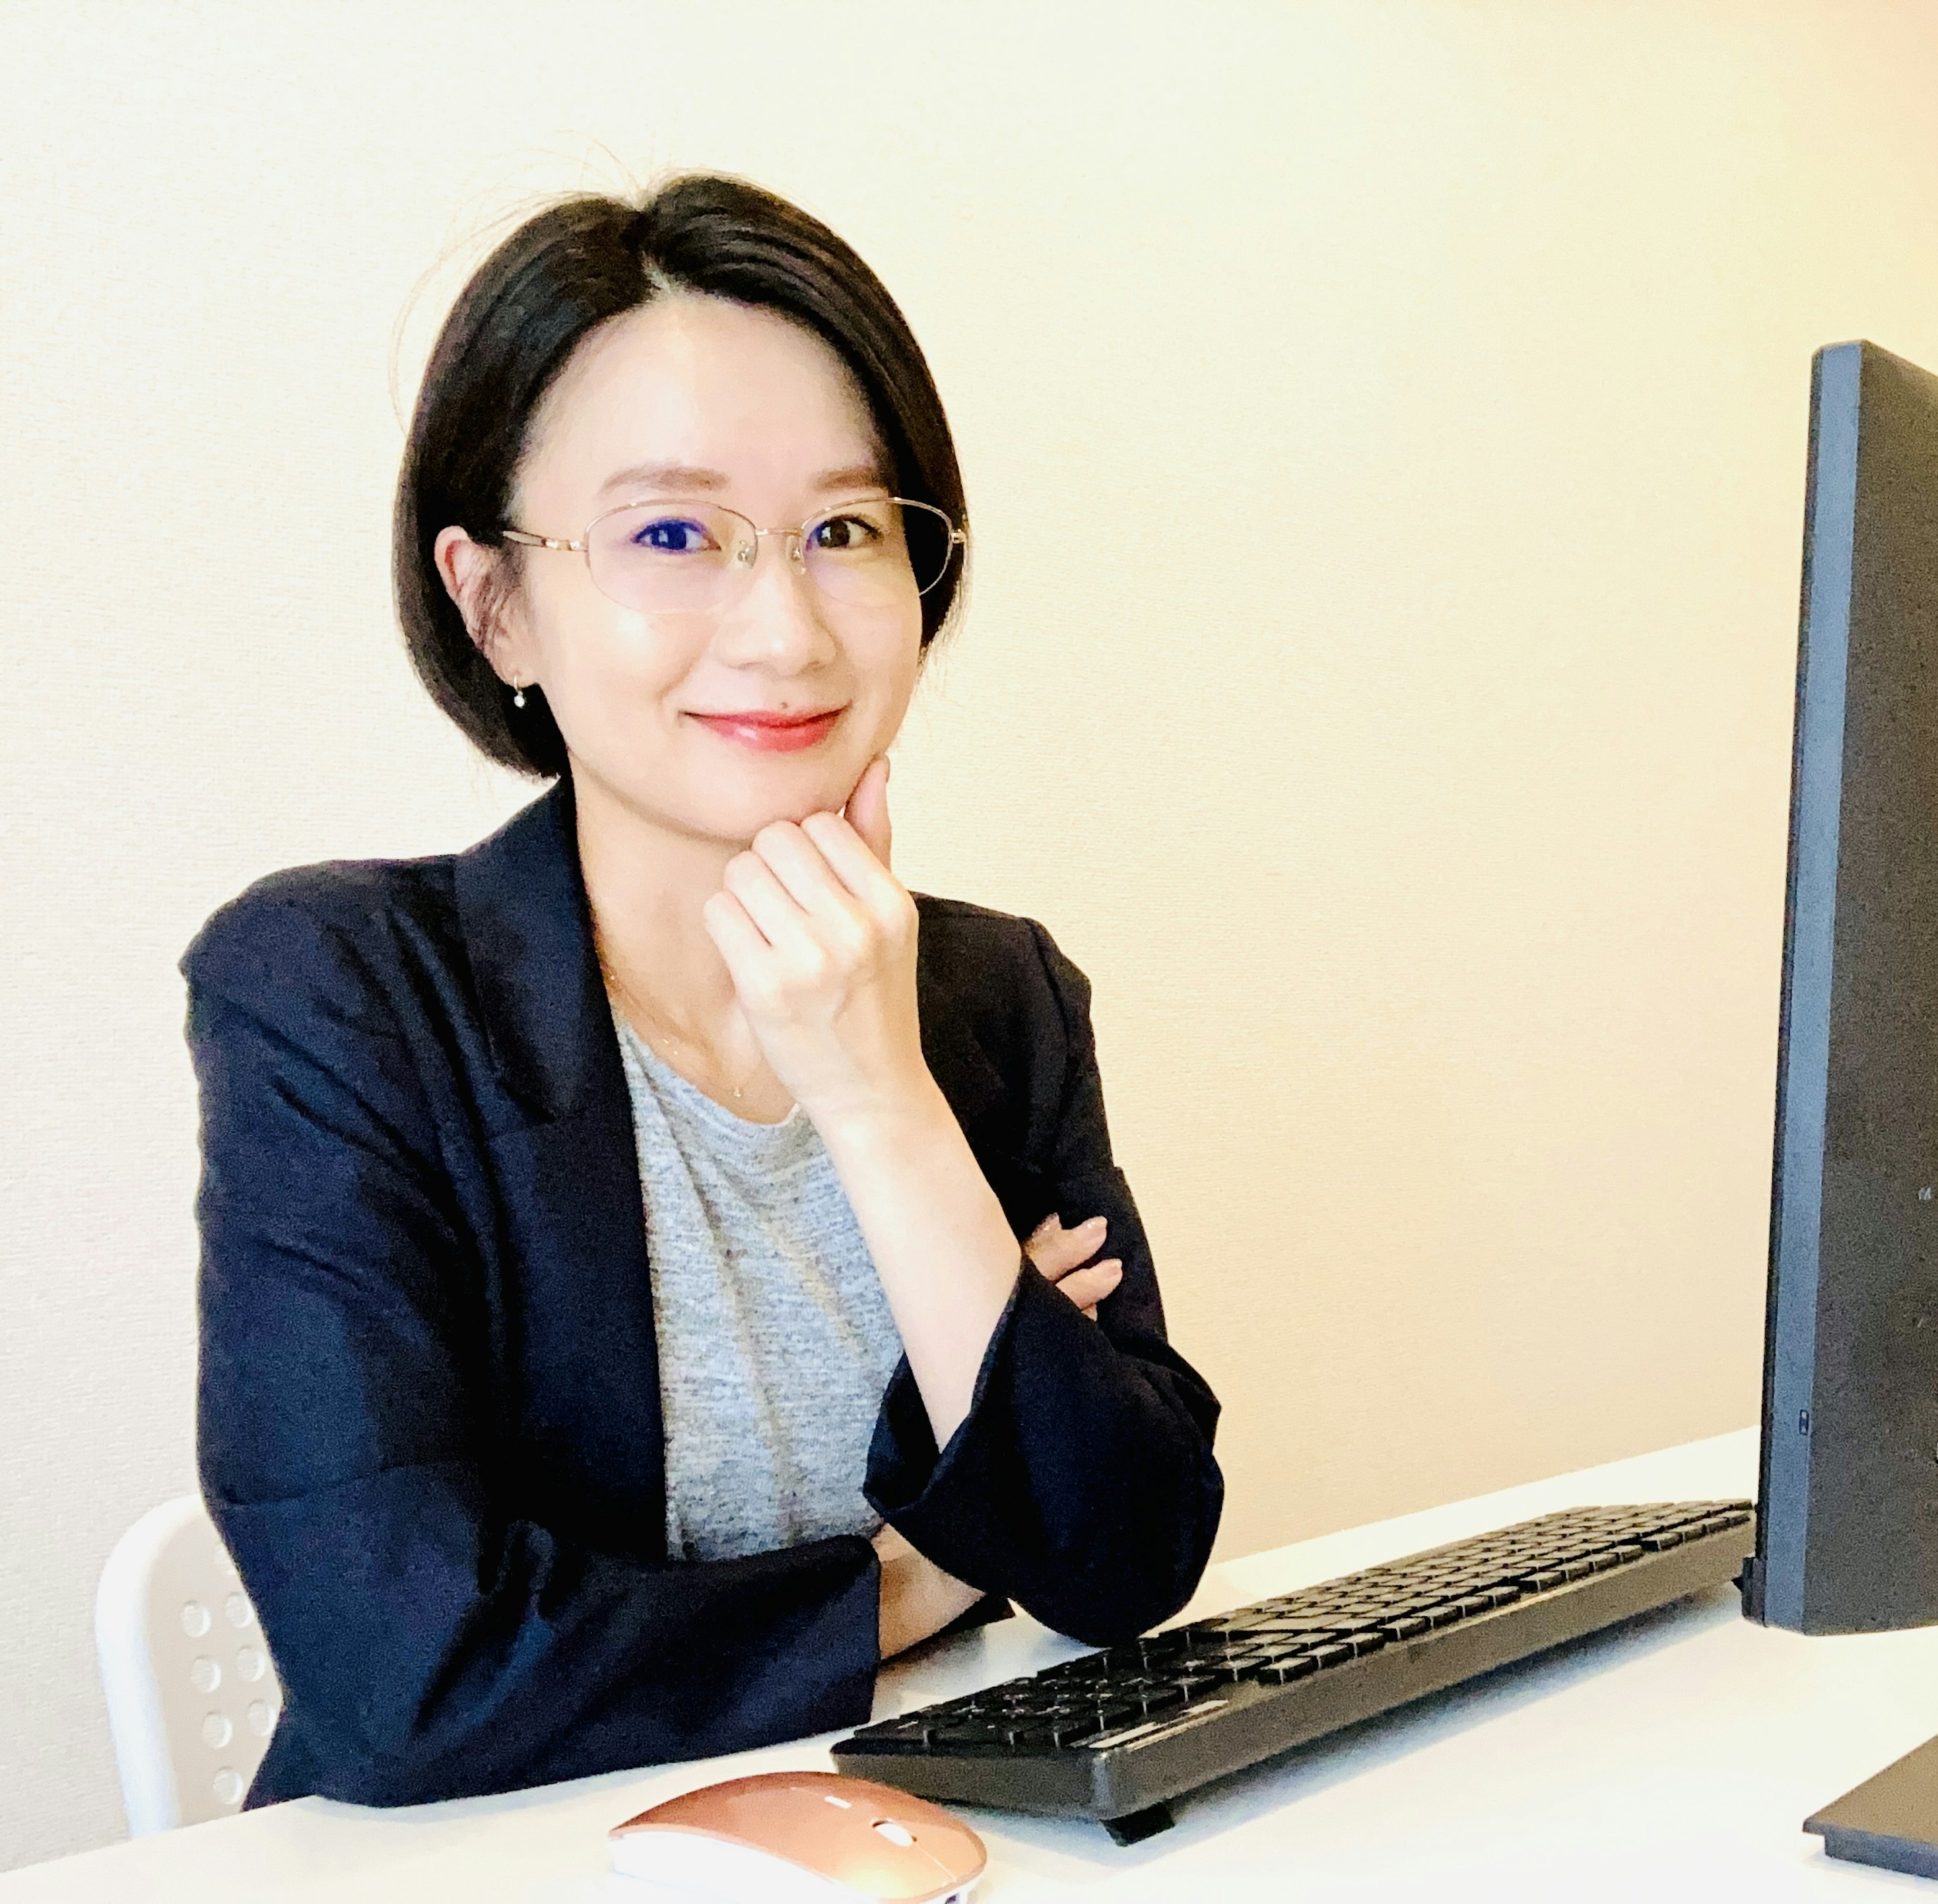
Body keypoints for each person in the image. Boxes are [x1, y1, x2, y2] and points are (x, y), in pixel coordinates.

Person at [180, 174, 1224, 1808]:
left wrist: (882, 1100)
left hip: (933, 1846)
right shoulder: (341, 996)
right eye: (671, 533)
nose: (786, 624)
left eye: (846, 531)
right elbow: (410, 1678)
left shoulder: (995, 994)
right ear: (496, 601)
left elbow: (1125, 1557)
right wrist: (901, 1583)